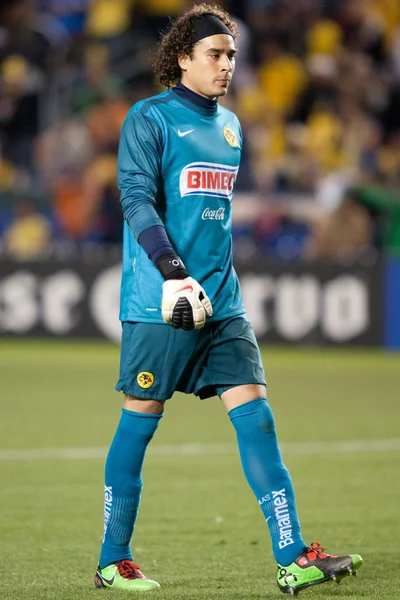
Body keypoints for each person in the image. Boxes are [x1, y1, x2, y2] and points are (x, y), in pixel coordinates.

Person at [94, 4, 363, 595]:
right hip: (161, 302)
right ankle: (113, 560)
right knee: (140, 420)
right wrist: (172, 272)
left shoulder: (233, 127)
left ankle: (292, 556)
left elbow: (211, 219)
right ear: (183, 58)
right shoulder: (149, 118)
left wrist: (207, 282)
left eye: (232, 55)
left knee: (257, 418)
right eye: (215, 54)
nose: (226, 65)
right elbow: (137, 201)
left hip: (222, 302)